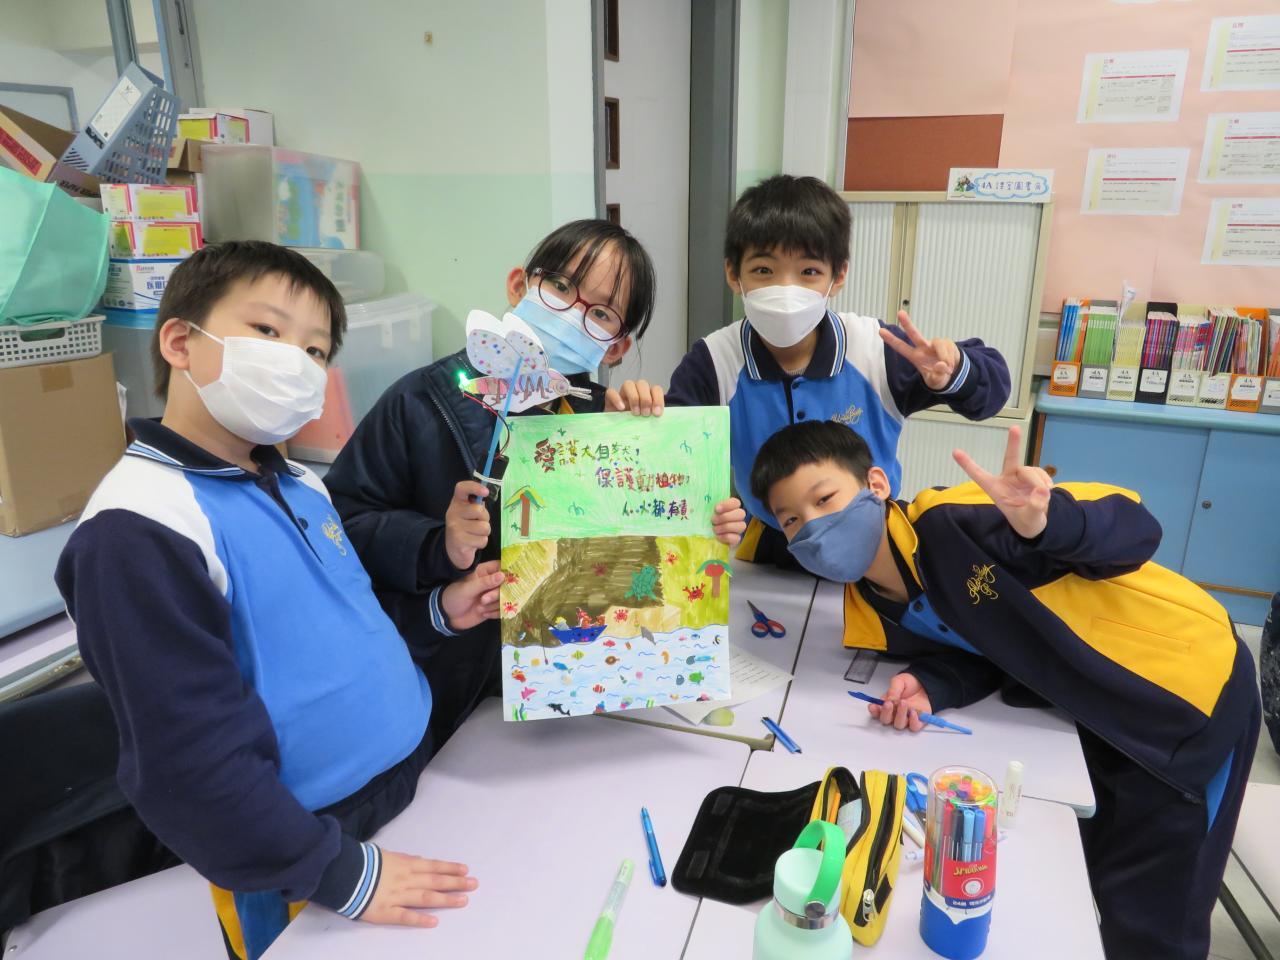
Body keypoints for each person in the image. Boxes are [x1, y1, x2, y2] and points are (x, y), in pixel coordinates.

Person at [56, 242, 493, 960]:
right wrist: (339, 873)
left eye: (316, 350)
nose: (296, 361)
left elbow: (342, 624)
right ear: (180, 342)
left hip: (410, 781)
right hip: (304, 851)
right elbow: (186, 764)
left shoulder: (300, 483)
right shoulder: (139, 529)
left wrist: (442, 612)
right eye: (267, 330)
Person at [749, 419, 1260, 960]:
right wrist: (932, 683)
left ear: (875, 484)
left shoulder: (954, 521)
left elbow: (1136, 527)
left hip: (1183, 699)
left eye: (825, 499)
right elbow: (990, 643)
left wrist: (1047, 523)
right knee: (1091, 879)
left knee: (1155, 919)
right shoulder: (873, 609)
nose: (814, 525)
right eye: (792, 519)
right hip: (1087, 718)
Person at [324, 220, 747, 744]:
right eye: (561, 287)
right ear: (519, 285)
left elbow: (634, 559)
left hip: (574, 698)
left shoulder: (608, 422)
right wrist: (439, 545)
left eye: (600, 314)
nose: (570, 315)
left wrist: (703, 516)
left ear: (616, 349)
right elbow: (340, 527)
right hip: (441, 694)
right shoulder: (421, 402)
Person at [613, 174, 1010, 566]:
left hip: (873, 539)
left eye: (809, 272)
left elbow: (989, 398)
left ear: (838, 276)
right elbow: (669, 461)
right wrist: (635, 423)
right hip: (771, 545)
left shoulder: (875, 348)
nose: (786, 289)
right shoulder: (714, 361)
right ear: (734, 274)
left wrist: (956, 372)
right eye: (764, 271)